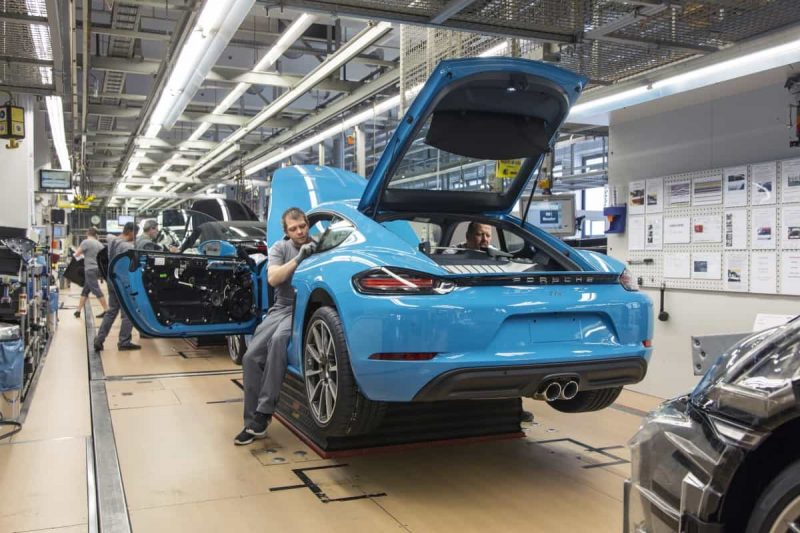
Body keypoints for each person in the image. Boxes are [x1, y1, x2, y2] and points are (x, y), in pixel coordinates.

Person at [234, 207, 317, 446]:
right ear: (286, 231)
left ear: (307, 224)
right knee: (250, 357)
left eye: (302, 226)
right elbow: (273, 278)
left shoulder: (319, 247)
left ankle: (263, 413)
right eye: (293, 229)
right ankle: (251, 423)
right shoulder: (280, 248)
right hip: (281, 307)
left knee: (279, 340)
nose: (299, 231)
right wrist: (299, 258)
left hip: (302, 309)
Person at [93, 222, 141, 352]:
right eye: (135, 234)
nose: (135, 237)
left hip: (111, 279)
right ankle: (124, 341)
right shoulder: (126, 246)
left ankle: (99, 339)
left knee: (111, 311)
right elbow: (131, 265)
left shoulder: (113, 242)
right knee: (129, 312)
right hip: (122, 281)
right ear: (131, 232)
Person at [73, 228, 109, 319]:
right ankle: (78, 311)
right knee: (86, 290)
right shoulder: (99, 244)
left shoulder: (86, 242)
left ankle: (106, 310)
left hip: (90, 269)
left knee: (96, 290)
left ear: (87, 233)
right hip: (98, 269)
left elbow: (77, 254)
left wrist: (82, 255)